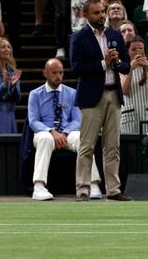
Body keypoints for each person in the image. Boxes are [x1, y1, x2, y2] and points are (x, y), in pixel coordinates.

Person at [70, 0, 131, 201]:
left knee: (113, 146)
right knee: (87, 145)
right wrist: (103, 64)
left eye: (102, 12)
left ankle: (113, 190)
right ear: (85, 15)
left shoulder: (114, 35)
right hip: (91, 97)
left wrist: (118, 62)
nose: (101, 16)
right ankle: (83, 189)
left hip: (114, 94)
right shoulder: (79, 38)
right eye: (96, 13)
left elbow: (126, 66)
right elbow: (76, 69)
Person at [27, 58, 101, 201]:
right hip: (45, 133)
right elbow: (33, 121)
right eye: (54, 72)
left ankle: (92, 184)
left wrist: (64, 132)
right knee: (44, 138)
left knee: (82, 138)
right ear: (45, 73)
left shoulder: (72, 93)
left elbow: (77, 120)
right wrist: (51, 131)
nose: (58, 76)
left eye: (61, 72)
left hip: (67, 133)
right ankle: (39, 186)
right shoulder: (35, 94)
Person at [121, 35, 148, 135]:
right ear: (127, 52)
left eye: (140, 49)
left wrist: (147, 70)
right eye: (133, 49)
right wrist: (131, 69)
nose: (137, 52)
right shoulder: (122, 69)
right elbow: (125, 91)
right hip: (129, 115)